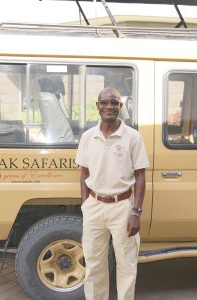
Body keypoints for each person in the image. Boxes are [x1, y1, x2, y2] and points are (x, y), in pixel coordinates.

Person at [75, 87, 149, 300]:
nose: (109, 106)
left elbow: (141, 176)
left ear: (120, 106)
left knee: (126, 265)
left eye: (114, 102)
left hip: (123, 208)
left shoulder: (132, 137)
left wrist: (136, 212)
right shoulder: (88, 137)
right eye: (104, 102)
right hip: (94, 207)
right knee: (94, 265)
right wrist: (85, 204)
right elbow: (84, 172)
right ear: (97, 106)